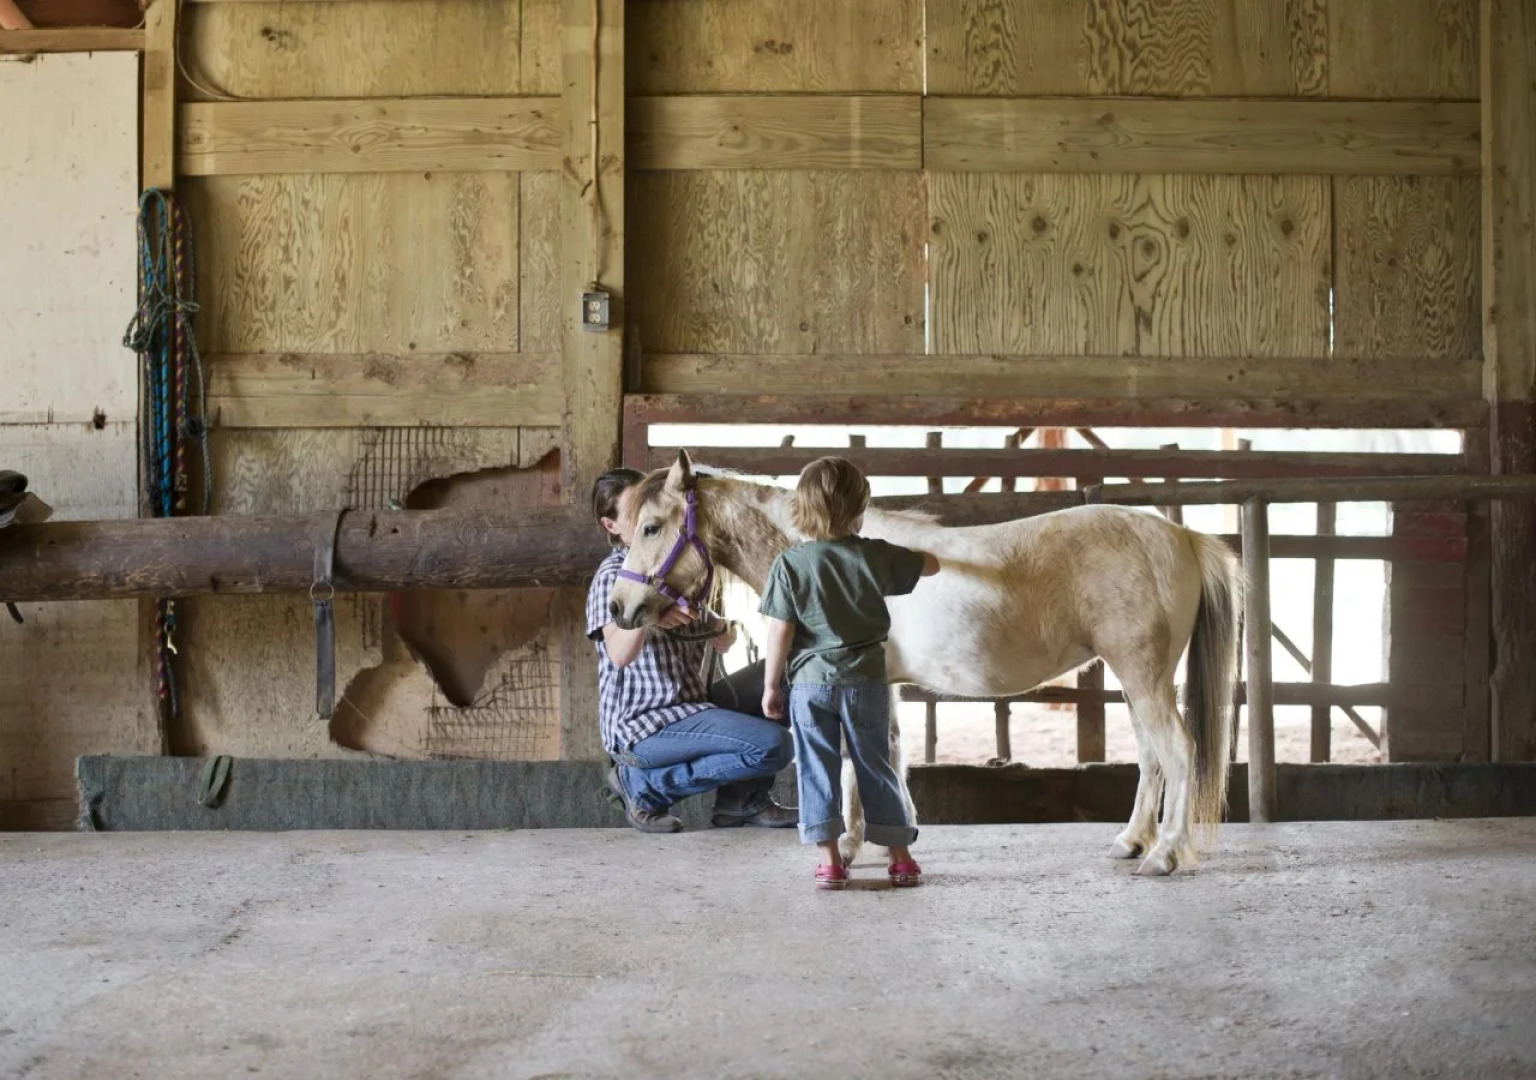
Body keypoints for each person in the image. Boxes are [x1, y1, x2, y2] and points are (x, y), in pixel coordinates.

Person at [758, 457, 939, 890]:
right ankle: (900, 858)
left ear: (802, 508)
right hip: (865, 685)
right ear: (860, 509)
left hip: (810, 686)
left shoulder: (790, 564)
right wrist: (910, 551)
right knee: (876, 767)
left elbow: (780, 630)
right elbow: (929, 565)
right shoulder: (873, 555)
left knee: (816, 769)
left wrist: (770, 684)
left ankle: (831, 864)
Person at [586, 468, 798, 834]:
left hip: (693, 707)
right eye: (632, 514)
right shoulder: (615, 574)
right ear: (611, 526)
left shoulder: (669, 564)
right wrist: (649, 616)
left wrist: (711, 623)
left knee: (787, 675)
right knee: (774, 746)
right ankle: (643, 786)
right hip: (644, 726)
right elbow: (619, 654)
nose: (644, 518)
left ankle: (742, 803)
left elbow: (724, 639)